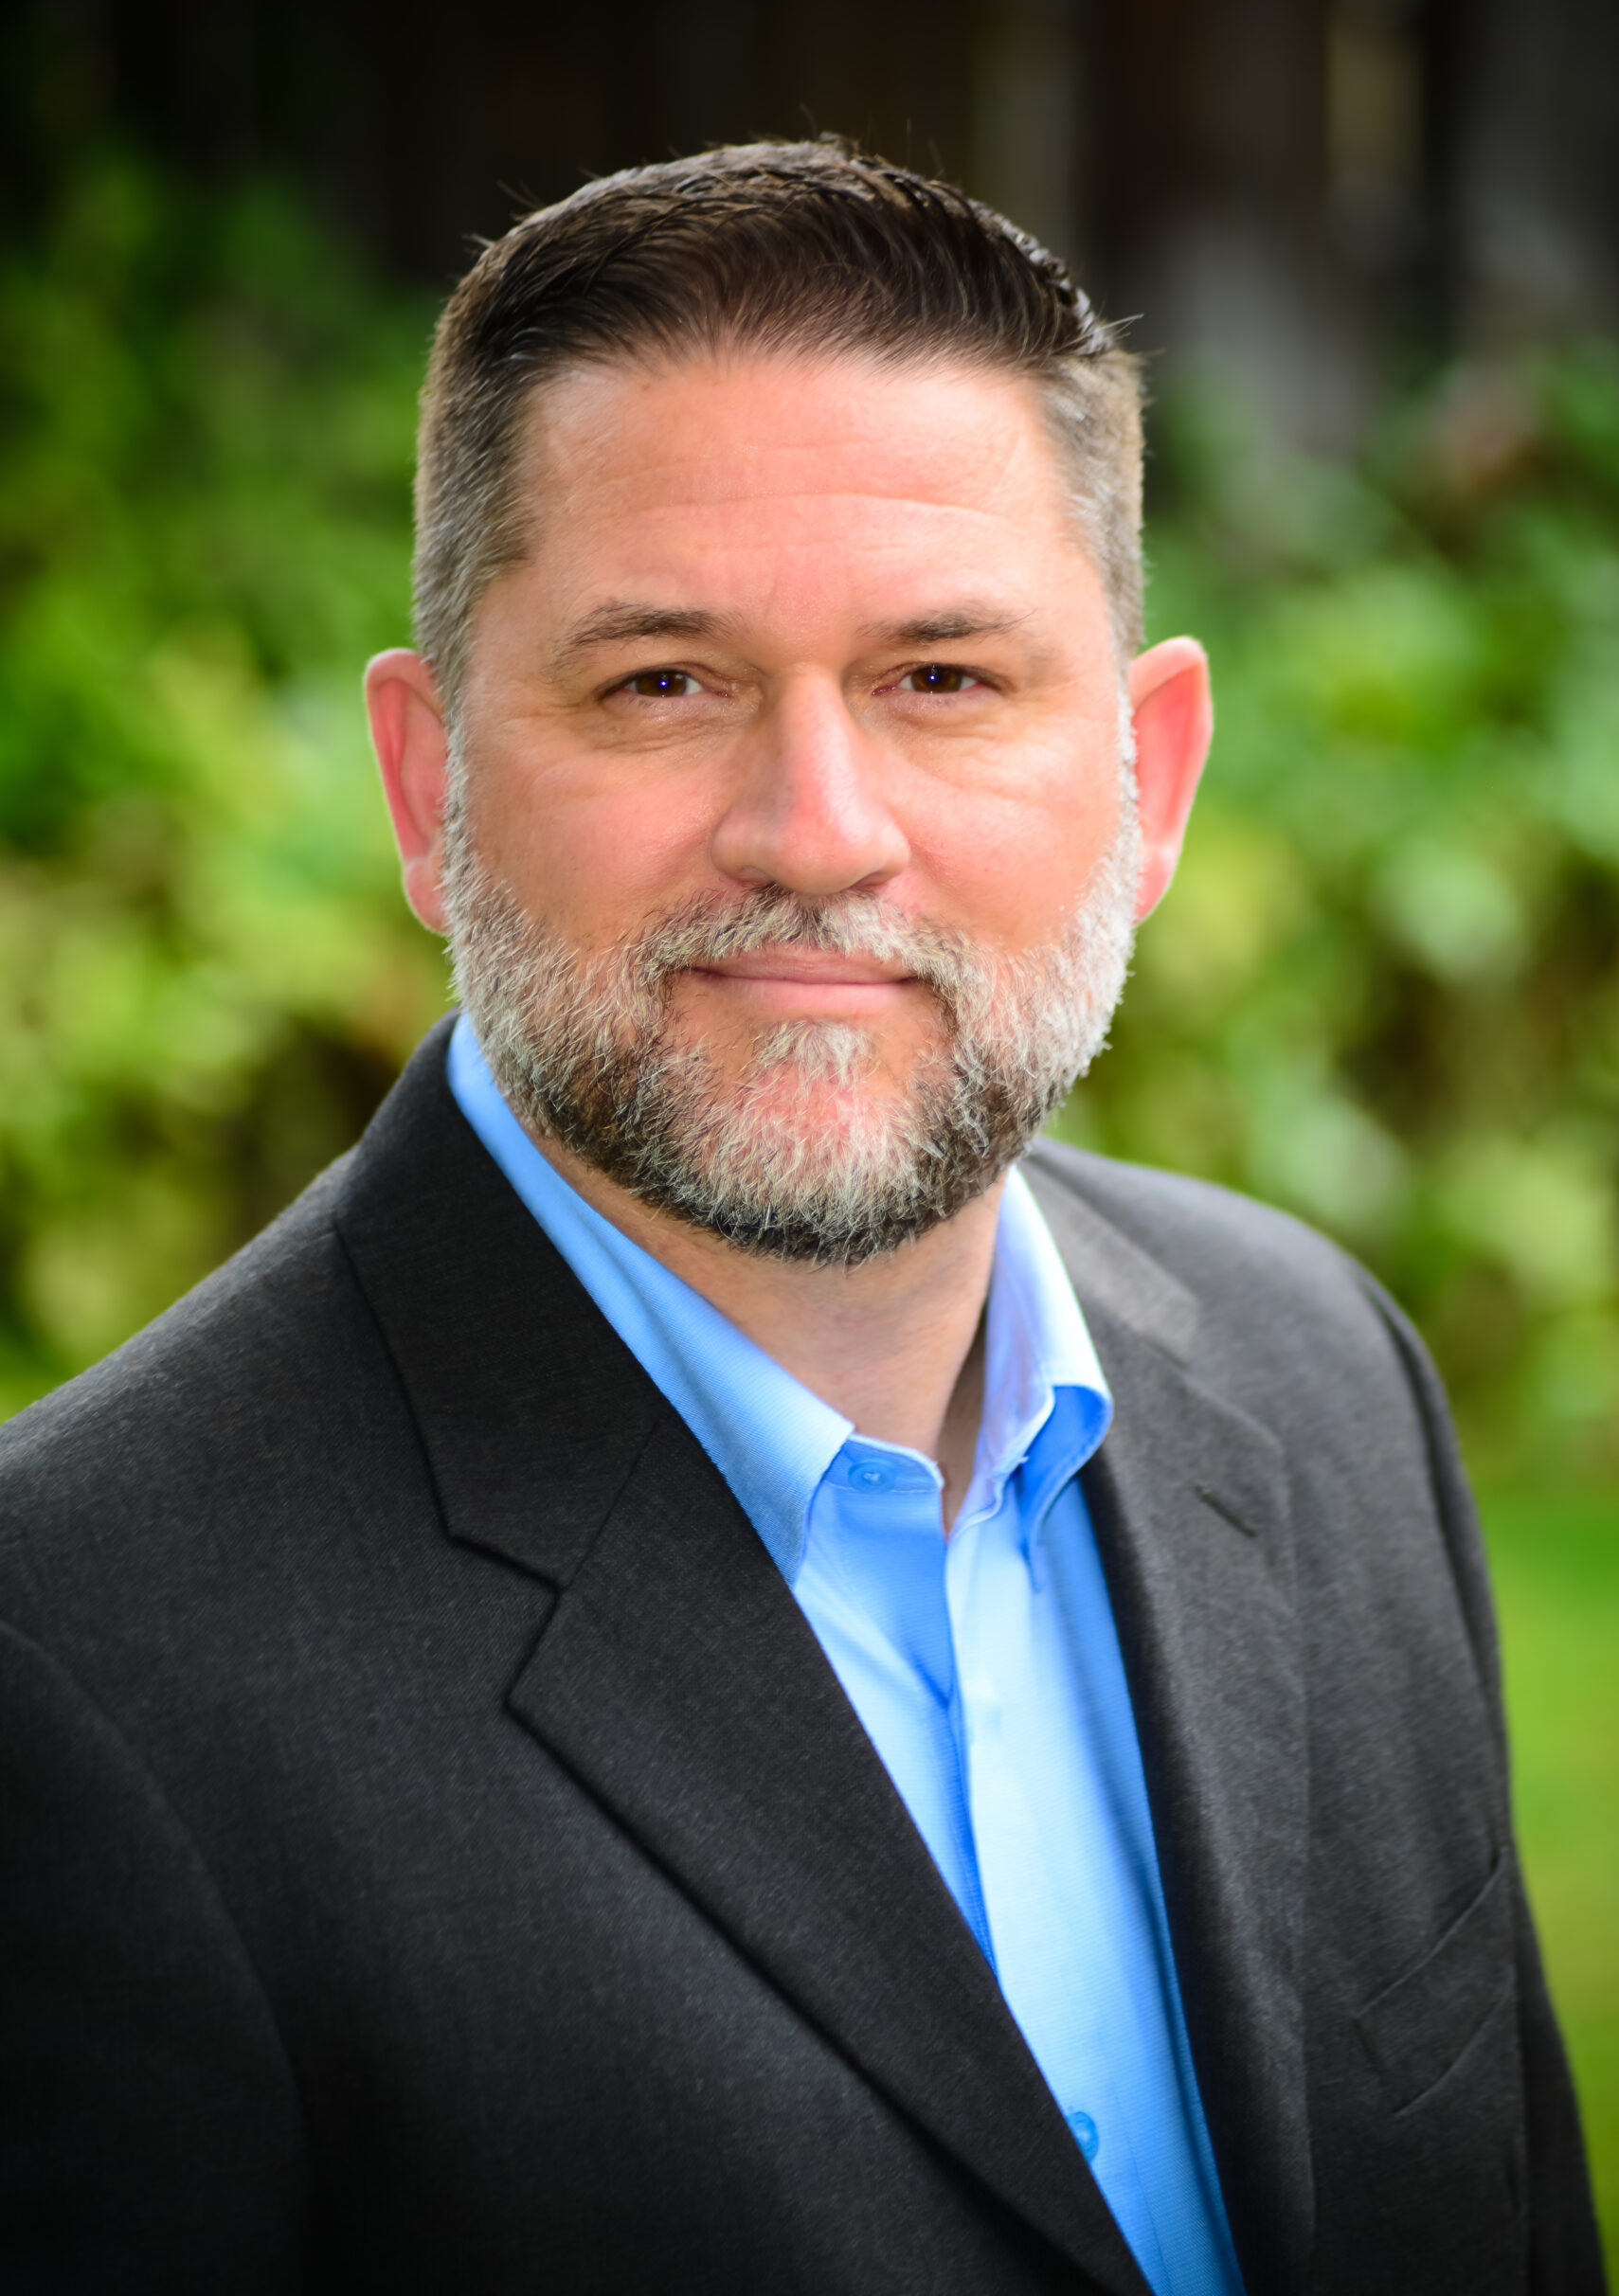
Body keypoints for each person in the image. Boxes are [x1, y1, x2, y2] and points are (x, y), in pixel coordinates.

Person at [0, 139, 1602, 2296]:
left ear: (1152, 780)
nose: (817, 830)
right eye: (665, 680)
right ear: (426, 782)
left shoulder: (1325, 1373)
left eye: (945, 677)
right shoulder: (78, 1667)